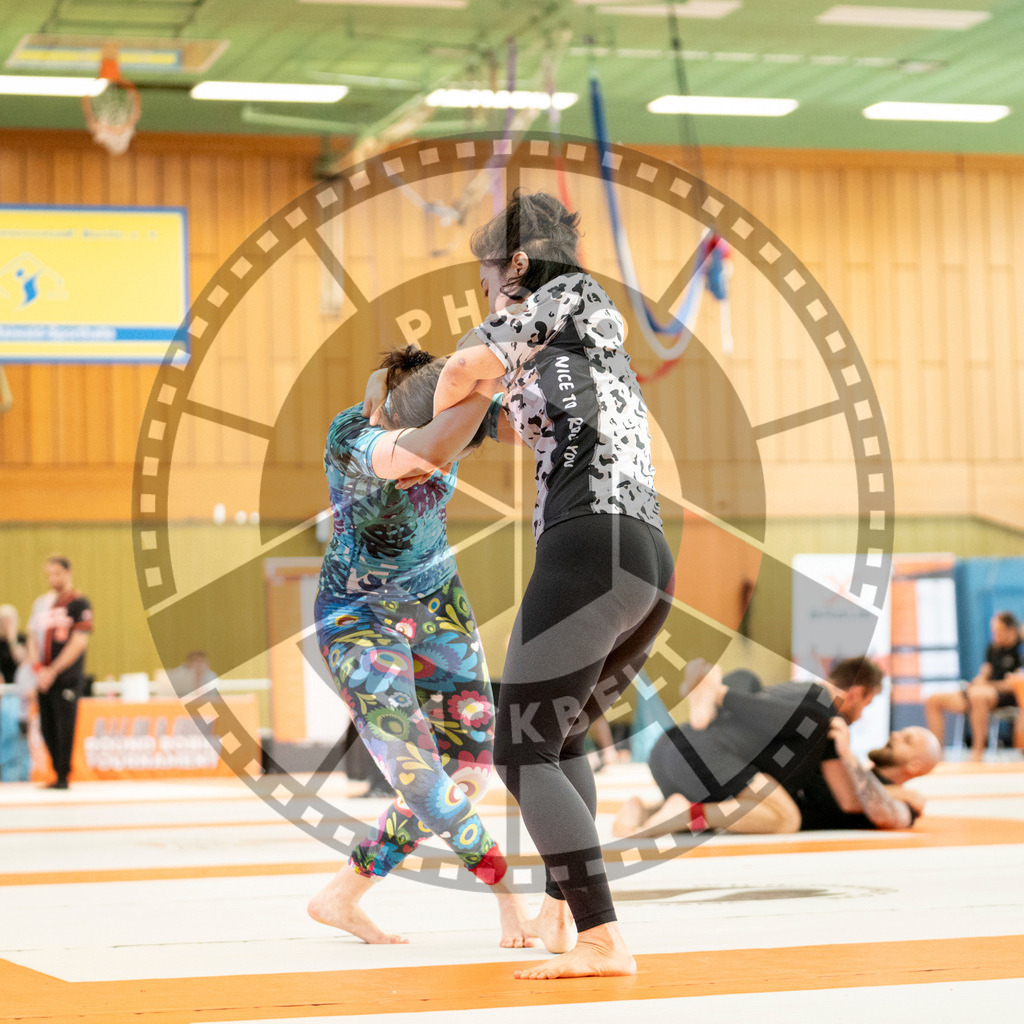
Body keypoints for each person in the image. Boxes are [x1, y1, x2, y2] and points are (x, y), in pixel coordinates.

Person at [416, 190, 674, 979]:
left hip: (589, 545)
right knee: (554, 739)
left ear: (519, 265)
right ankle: (565, 916)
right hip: (643, 555)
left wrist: (409, 421)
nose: (488, 296)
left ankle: (601, 936)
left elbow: (461, 368)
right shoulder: (584, 335)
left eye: (491, 278)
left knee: (519, 746)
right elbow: (503, 396)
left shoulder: (561, 295)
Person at [307, 346, 534, 949]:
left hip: (437, 601)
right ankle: (506, 896)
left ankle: (342, 895)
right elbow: (420, 448)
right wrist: (504, 889)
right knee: (418, 775)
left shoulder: (438, 411)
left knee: (467, 770)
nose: (429, 470)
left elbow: (456, 386)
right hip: (358, 617)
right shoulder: (351, 435)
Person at [613, 657, 883, 837]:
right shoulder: (823, 712)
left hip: (667, 749)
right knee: (786, 818)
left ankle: (642, 809)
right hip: (703, 755)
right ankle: (691, 814)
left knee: (741, 804)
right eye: (867, 704)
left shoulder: (787, 691)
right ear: (857, 693)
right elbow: (849, 801)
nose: (861, 715)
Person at [26, 556, 93, 790]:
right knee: (47, 726)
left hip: (66, 677)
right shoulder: (42, 604)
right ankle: (56, 771)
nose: (53, 579)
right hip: (43, 677)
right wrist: (38, 669)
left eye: (57, 573)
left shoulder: (78, 603)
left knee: (65, 726)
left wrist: (53, 671)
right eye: (49, 574)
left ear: (67, 572)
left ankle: (64, 775)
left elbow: (78, 643)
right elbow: (32, 638)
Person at [925, 610, 1022, 761]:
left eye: (998, 631)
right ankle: (936, 754)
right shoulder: (993, 649)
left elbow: (1014, 685)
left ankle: (977, 753)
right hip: (981, 691)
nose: (995, 635)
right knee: (933, 699)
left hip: (1005, 697)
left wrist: (987, 684)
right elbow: (985, 674)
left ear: (1011, 630)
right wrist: (979, 681)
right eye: (993, 631)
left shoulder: (1020, 650)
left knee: (979, 695)